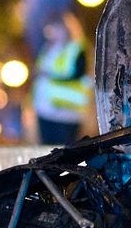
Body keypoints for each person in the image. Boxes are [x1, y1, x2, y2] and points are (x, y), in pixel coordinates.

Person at [31, 13, 91, 145]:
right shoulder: (47, 48)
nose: (50, 33)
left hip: (67, 112)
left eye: (54, 28)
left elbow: (78, 74)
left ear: (66, 28)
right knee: (46, 150)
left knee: (64, 150)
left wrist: (49, 75)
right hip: (45, 108)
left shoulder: (76, 48)